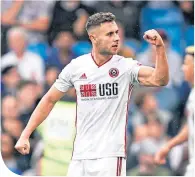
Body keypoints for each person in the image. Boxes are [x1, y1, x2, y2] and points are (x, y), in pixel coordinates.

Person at [15, 12, 169, 176]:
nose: (116, 38)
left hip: (109, 156)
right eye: (110, 34)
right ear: (93, 38)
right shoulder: (76, 67)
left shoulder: (126, 66)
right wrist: (25, 134)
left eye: (116, 32)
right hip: (80, 154)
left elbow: (160, 80)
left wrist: (159, 48)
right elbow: (49, 100)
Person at [154, 46, 194, 176]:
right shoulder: (192, 93)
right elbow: (191, 126)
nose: (182, 68)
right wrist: (169, 145)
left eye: (186, 64)